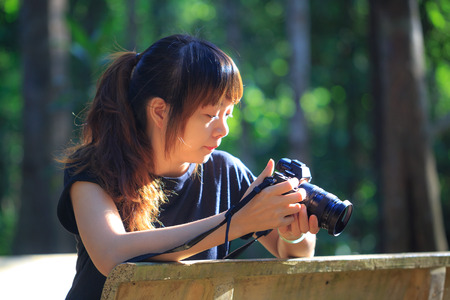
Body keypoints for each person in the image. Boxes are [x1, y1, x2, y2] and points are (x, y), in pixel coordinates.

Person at [57, 34, 319, 300]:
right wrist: (236, 222)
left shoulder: (225, 171)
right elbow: (111, 252)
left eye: (227, 114)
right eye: (209, 115)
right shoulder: (93, 170)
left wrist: (293, 234)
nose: (223, 129)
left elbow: (293, 254)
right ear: (160, 111)